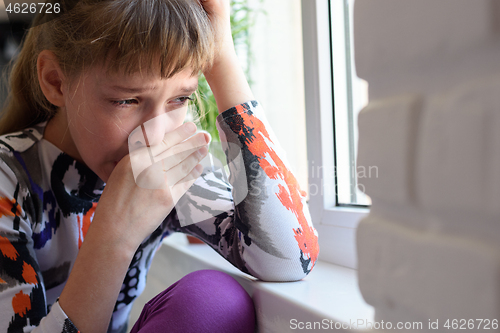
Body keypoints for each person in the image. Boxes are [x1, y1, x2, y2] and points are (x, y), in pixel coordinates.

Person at [0, 0, 319, 332]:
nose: (154, 136)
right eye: (126, 100)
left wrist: (221, 53)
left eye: (180, 99)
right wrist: (115, 237)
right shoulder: (8, 178)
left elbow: (290, 258)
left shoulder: (167, 168)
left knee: (212, 301)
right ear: (56, 81)